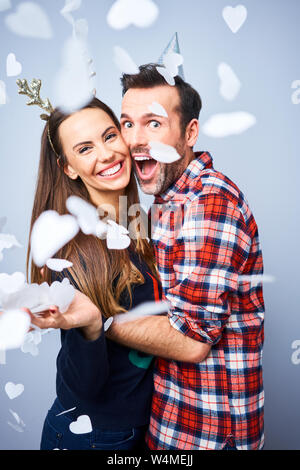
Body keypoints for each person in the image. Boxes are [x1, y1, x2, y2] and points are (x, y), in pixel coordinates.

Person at [23, 94, 206, 451]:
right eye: (85, 148)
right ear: (68, 167)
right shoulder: (71, 248)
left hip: (144, 428)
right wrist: (92, 326)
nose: (106, 154)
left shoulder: (138, 221)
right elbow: (83, 388)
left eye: (109, 136)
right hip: (94, 437)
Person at [104, 64, 265, 450]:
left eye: (153, 124)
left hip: (206, 436)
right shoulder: (166, 202)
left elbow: (192, 342)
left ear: (190, 132)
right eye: (127, 124)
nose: (135, 140)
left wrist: (96, 320)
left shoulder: (207, 202)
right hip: (170, 425)